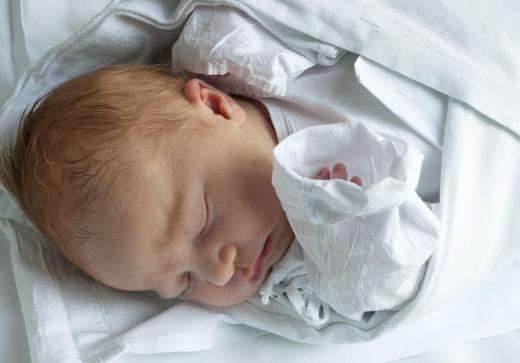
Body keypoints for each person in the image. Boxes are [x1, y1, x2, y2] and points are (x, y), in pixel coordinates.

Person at [0, 64, 363, 307]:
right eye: (184, 282)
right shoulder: (305, 283)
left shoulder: (267, 59)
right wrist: (355, 238)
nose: (220, 271)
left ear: (216, 106)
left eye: (203, 221)